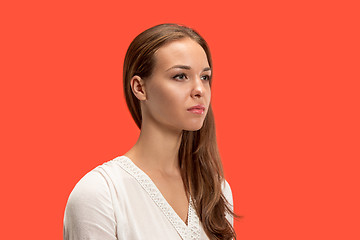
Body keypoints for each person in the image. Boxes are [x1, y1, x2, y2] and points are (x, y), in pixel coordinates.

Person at [63, 23, 237, 240]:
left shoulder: (216, 190)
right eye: (180, 76)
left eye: (205, 77)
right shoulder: (100, 193)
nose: (200, 90)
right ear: (140, 88)